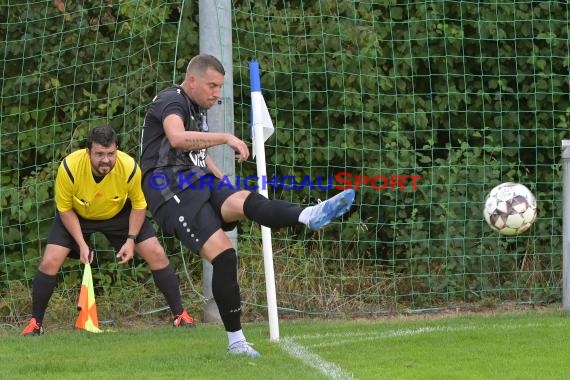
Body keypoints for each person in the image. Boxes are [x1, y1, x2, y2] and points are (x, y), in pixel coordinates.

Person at [140, 54, 355, 357]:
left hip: (195, 179)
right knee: (225, 256)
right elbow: (176, 138)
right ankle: (236, 342)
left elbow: (197, 156)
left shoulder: (197, 108)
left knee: (243, 199)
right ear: (192, 80)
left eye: (220, 87)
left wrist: (221, 181)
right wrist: (226, 136)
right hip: (167, 188)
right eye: (211, 85)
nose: (216, 93)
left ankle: (309, 214)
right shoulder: (171, 100)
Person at [21, 125, 194, 336]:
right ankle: (35, 324)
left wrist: (131, 239)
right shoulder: (69, 167)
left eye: (111, 153)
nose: (106, 160)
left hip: (119, 214)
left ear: (117, 149)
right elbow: (64, 209)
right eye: (100, 154)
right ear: (88, 152)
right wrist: (81, 244)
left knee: (157, 253)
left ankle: (181, 316)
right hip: (77, 215)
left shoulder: (129, 167)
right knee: (50, 261)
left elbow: (139, 205)